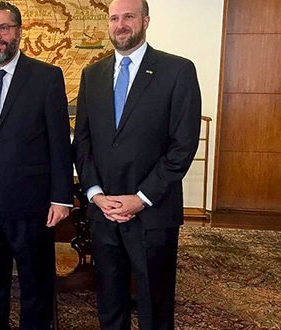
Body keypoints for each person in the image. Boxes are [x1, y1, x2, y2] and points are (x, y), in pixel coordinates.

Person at [72, 0, 201, 329]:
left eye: (128, 16)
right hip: (103, 214)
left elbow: (182, 147)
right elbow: (83, 142)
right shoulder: (92, 75)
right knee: (109, 304)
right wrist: (96, 194)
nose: (120, 25)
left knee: (154, 306)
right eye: (114, 18)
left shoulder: (178, 71)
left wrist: (141, 198)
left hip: (153, 214)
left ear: (145, 20)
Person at [0, 2, 74, 329]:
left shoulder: (47, 78)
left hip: (31, 206)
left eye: (3, 28)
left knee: (35, 287)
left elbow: (59, 143)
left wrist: (61, 197)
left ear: (19, 32)